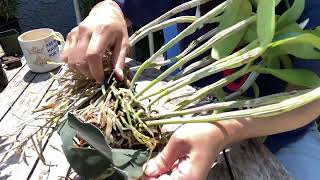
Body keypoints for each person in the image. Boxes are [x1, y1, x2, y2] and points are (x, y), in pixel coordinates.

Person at [62, 0, 320, 179]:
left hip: (279, 131)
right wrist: (108, 10)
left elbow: (310, 97)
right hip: (186, 115)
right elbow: (120, 7)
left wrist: (226, 128)